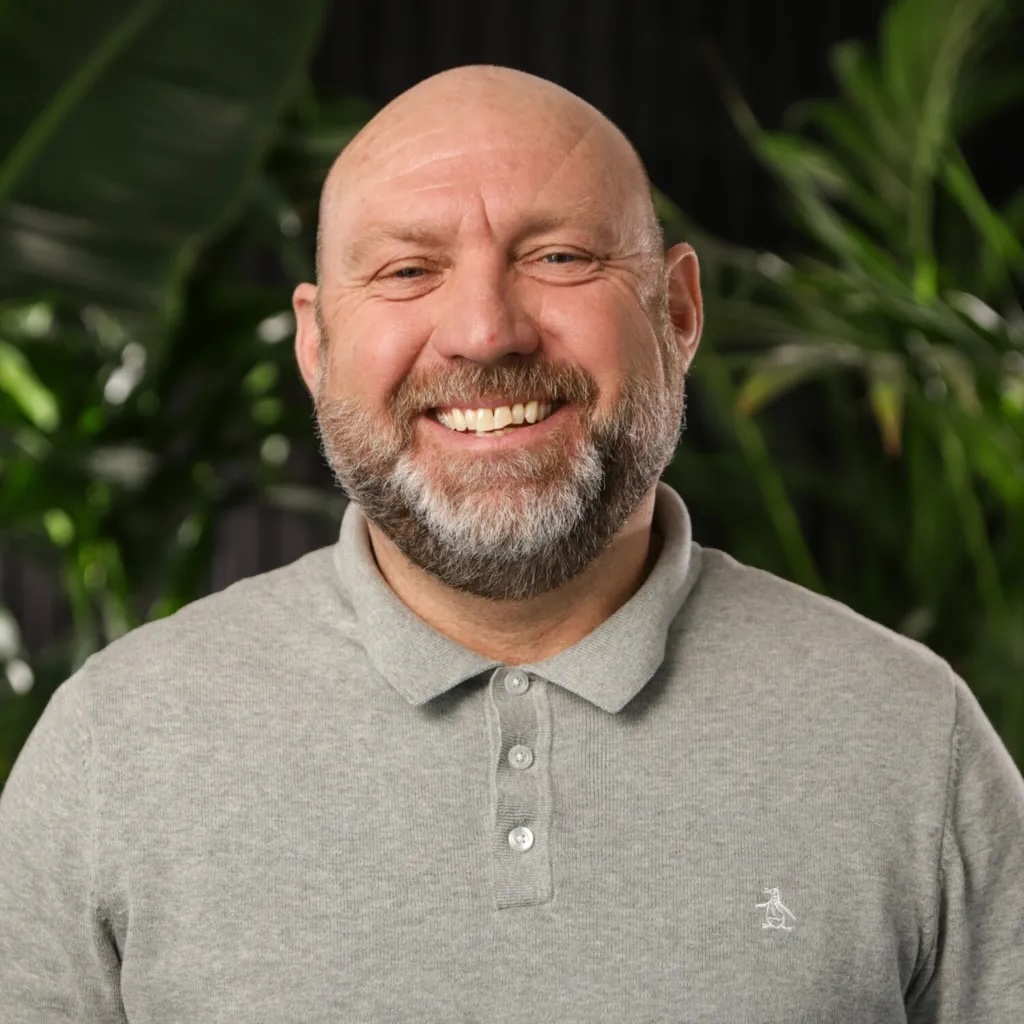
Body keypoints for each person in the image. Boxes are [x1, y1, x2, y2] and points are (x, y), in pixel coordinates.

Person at [1, 65, 1022, 1023]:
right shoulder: (114, 746)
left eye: (559, 258)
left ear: (676, 312)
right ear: (316, 344)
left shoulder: (909, 738)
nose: (486, 331)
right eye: (408, 270)